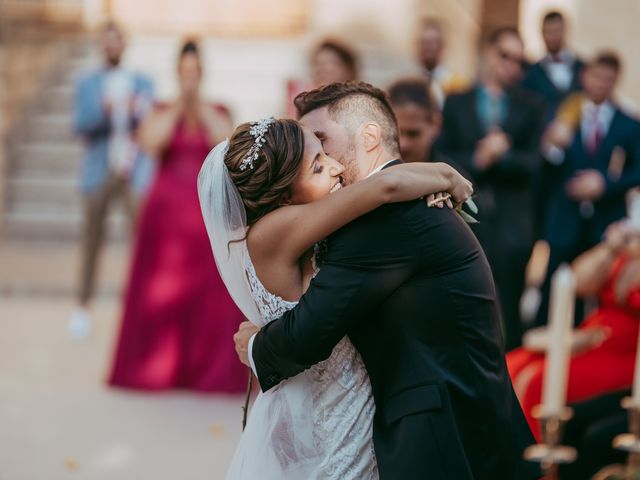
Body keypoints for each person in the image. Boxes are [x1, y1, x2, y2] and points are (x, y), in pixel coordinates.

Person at [232, 82, 539, 479]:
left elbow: (309, 331)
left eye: (324, 144)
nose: (331, 164)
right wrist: (442, 175)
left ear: (369, 137)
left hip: (442, 435)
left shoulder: (384, 219)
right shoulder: (384, 208)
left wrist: (255, 345)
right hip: (444, 422)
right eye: (316, 157)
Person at [199, 106, 474, 476]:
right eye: (317, 166)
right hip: (328, 420)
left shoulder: (297, 230)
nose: (336, 167)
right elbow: (383, 187)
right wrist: (447, 176)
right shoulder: (273, 232)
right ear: (281, 197)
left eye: (324, 153)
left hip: (343, 408)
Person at [108, 41, 244, 392]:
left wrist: (196, 103)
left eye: (194, 72)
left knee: (208, 290)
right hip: (165, 212)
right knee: (163, 286)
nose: (189, 78)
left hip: (205, 213)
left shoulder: (217, 108)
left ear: (202, 72)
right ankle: (158, 368)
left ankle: (204, 369)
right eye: (184, 72)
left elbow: (225, 143)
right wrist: (180, 104)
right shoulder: (160, 108)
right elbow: (152, 144)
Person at [436, 27, 546, 350]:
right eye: (505, 55)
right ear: (488, 51)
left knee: (509, 303)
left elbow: (536, 162)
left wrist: (505, 154)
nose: (511, 65)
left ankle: (511, 372)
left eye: (519, 60)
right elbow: (443, 154)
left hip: (513, 221)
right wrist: (478, 159)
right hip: (467, 215)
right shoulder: (457, 101)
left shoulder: (532, 105)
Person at [508, 219, 640, 440]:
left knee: (534, 381)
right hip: (593, 336)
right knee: (511, 366)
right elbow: (578, 282)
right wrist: (609, 247)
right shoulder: (628, 241)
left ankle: (540, 467)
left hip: (628, 354)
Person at [535, 51, 640, 327]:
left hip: (603, 222)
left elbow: (636, 171)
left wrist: (604, 183)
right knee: (552, 288)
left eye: (608, 79)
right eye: (596, 77)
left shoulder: (628, 124)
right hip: (565, 217)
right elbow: (545, 165)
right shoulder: (564, 112)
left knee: (593, 297)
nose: (601, 84)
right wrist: (553, 145)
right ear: (585, 76)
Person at [70, 22, 154, 338]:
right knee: (91, 242)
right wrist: (105, 111)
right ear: (100, 45)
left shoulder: (141, 82)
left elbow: (150, 123)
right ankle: (82, 307)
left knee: (143, 240)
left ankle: (143, 308)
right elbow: (79, 124)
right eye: (107, 42)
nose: (112, 46)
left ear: (124, 44)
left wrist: (134, 109)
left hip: (133, 172)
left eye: (116, 41)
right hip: (99, 171)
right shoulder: (87, 82)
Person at [521, 10, 584, 123]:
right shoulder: (532, 73)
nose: (552, 37)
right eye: (548, 32)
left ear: (565, 30)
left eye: (556, 31)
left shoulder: (583, 69)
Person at [285, 39, 358, 117]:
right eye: (317, 63)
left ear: (348, 69)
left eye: (329, 62)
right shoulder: (302, 100)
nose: (321, 69)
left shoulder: (359, 103)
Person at [387, 77, 441, 164]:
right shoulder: (367, 175)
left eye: (413, 134)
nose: (403, 144)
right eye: (395, 135)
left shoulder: (451, 176)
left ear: (435, 125)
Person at [417, 18, 468, 108]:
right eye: (424, 42)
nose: (427, 47)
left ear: (442, 46)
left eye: (432, 42)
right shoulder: (410, 80)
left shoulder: (458, 84)